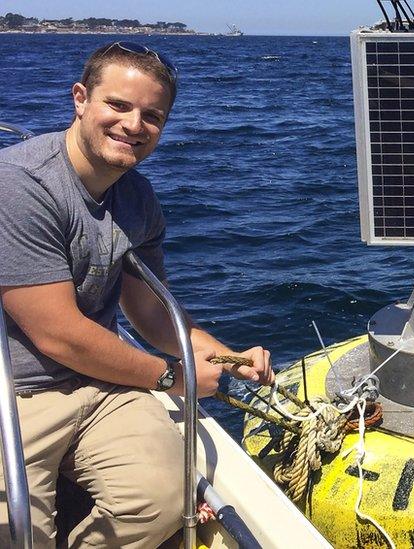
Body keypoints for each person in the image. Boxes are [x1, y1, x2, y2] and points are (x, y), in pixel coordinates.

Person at [0, 42, 274, 548]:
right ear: (80, 98)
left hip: (100, 386)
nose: (134, 125)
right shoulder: (19, 186)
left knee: (164, 499)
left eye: (152, 115)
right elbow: (59, 335)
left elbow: (148, 308)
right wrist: (175, 376)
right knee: (20, 534)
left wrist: (223, 358)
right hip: (15, 392)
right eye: (118, 105)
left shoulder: (137, 197)